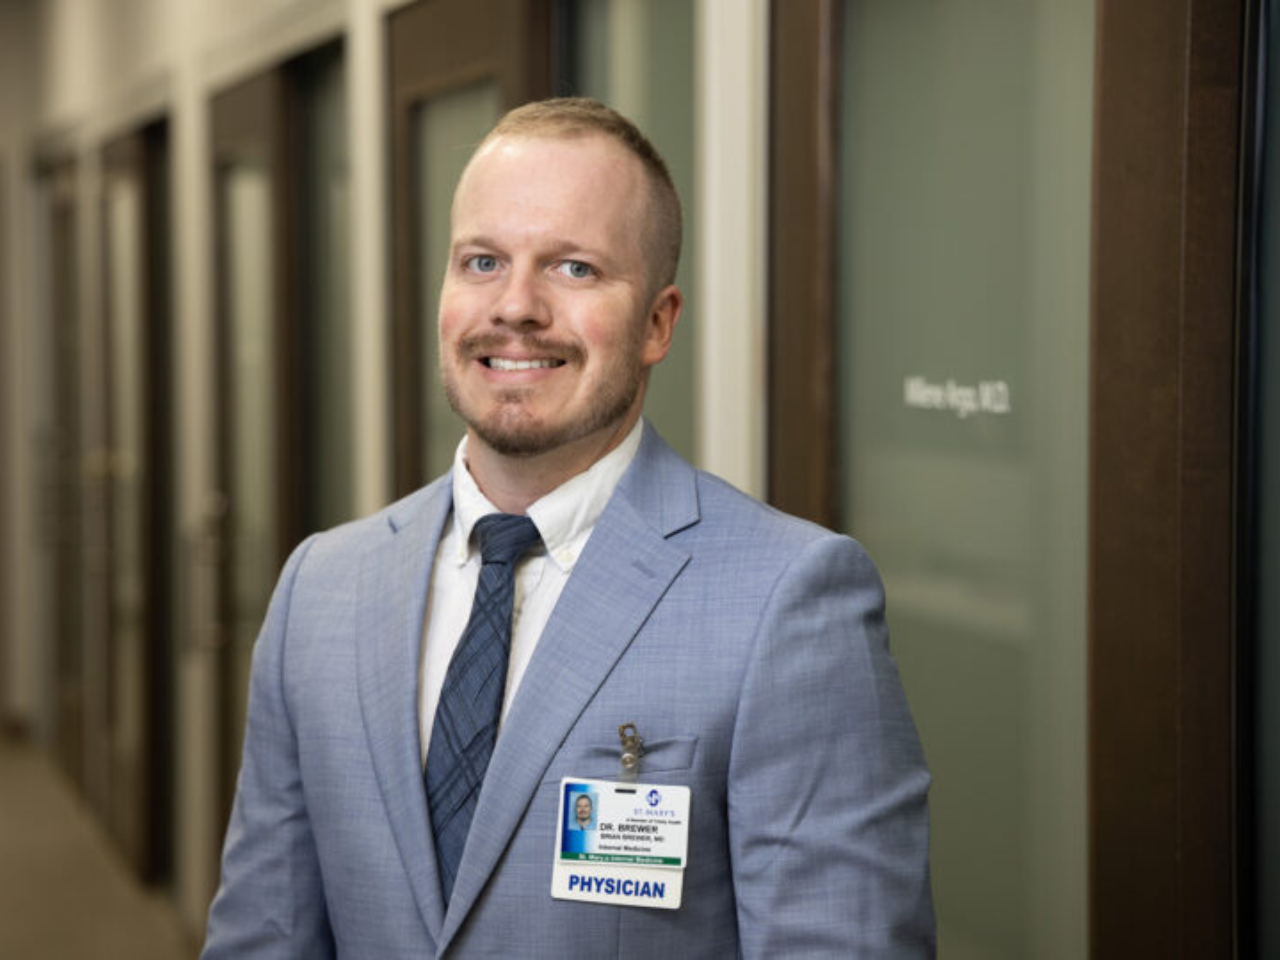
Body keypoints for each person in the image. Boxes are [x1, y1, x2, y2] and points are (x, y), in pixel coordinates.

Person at [202, 97, 934, 958]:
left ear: (658, 322)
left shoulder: (788, 601)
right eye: (482, 260)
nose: (515, 306)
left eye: (574, 269)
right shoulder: (320, 590)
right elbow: (264, 936)